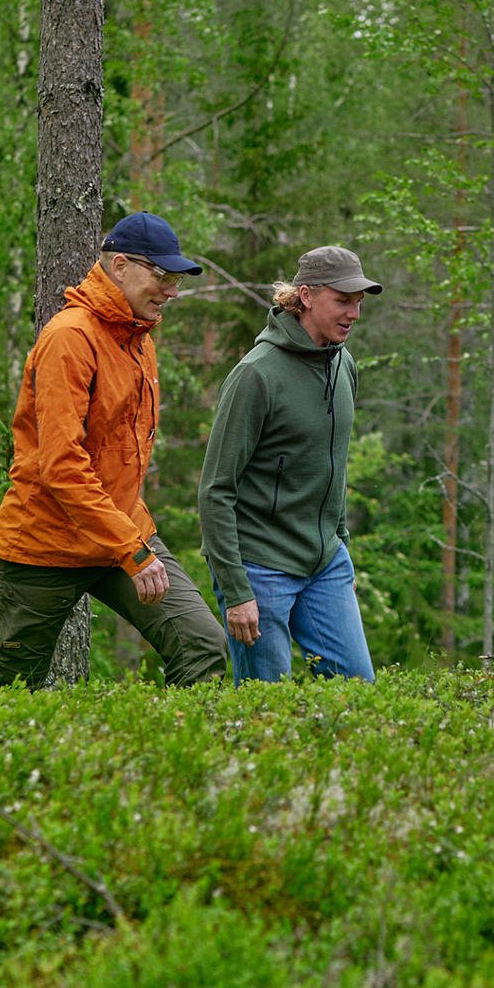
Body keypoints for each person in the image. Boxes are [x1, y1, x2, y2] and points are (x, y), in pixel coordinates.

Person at [0, 213, 228, 688]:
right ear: (120, 266)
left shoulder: (140, 340)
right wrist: (132, 551)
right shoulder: (69, 338)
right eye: (163, 276)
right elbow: (61, 465)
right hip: (45, 543)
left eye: (175, 279)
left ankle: (173, 759)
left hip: (121, 533)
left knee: (202, 645)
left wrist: (129, 544)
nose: (172, 290)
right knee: (10, 690)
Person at [199, 246, 382, 683]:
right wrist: (237, 591)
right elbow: (215, 490)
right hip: (260, 569)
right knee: (267, 710)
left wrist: (340, 546)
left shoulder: (344, 366)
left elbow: (333, 465)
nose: (354, 313)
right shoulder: (256, 375)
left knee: (357, 695)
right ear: (305, 296)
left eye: (359, 301)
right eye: (343, 300)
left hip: (325, 566)